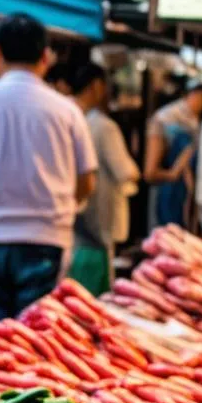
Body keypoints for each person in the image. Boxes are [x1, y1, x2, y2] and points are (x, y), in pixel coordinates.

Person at [0, 13, 97, 323]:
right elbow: (86, 184)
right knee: (34, 354)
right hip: (45, 243)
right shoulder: (68, 111)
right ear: (45, 57)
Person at [69, 63, 140, 295]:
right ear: (97, 86)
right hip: (100, 221)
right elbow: (126, 171)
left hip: (74, 222)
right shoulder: (103, 126)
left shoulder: (72, 118)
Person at [143, 82, 202, 229]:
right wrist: (174, 173)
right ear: (194, 94)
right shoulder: (165, 118)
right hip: (167, 195)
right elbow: (150, 173)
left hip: (183, 198)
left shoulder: (193, 121)